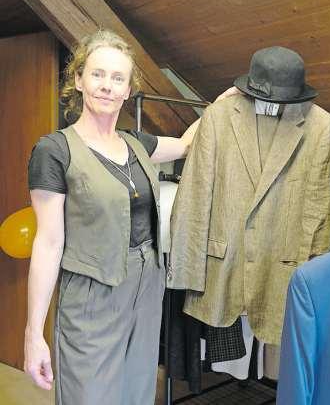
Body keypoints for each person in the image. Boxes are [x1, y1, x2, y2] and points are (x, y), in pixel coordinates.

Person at [23, 29, 206, 404]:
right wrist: (33, 333)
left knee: (137, 392)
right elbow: (48, 243)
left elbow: (188, 144)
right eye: (98, 74)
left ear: (127, 90)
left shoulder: (138, 143)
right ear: (79, 80)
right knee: (89, 394)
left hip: (147, 286)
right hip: (93, 292)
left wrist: (224, 103)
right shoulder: (55, 150)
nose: (107, 86)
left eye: (117, 78)